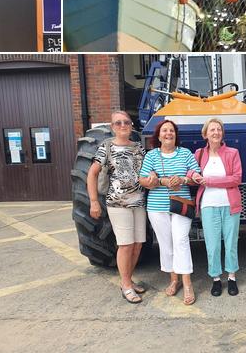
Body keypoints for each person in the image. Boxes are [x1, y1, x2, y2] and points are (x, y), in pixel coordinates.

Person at [86, 111, 147, 303]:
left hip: (138, 203)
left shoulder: (138, 148)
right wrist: (94, 201)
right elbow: (92, 174)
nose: (123, 125)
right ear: (112, 127)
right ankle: (126, 285)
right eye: (118, 123)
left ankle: (128, 280)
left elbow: (146, 171)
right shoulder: (107, 147)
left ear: (131, 126)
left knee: (137, 245)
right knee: (126, 245)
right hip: (118, 204)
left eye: (126, 122)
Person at [139, 119, 200, 305]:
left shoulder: (185, 153)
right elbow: (142, 180)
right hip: (157, 207)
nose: (168, 133)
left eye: (171, 130)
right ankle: (174, 280)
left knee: (181, 240)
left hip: (181, 205)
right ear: (158, 136)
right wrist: (159, 181)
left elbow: (197, 176)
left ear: (175, 135)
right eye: (164, 131)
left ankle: (187, 283)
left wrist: (182, 180)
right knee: (166, 244)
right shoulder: (151, 155)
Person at [190, 118, 243, 296]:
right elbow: (189, 170)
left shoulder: (232, 153)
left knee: (231, 243)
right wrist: (193, 175)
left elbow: (236, 179)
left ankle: (232, 277)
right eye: (212, 129)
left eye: (219, 129)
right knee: (212, 245)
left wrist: (210, 181)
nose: (216, 132)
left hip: (230, 205)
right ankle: (216, 279)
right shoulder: (199, 154)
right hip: (208, 205)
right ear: (205, 134)